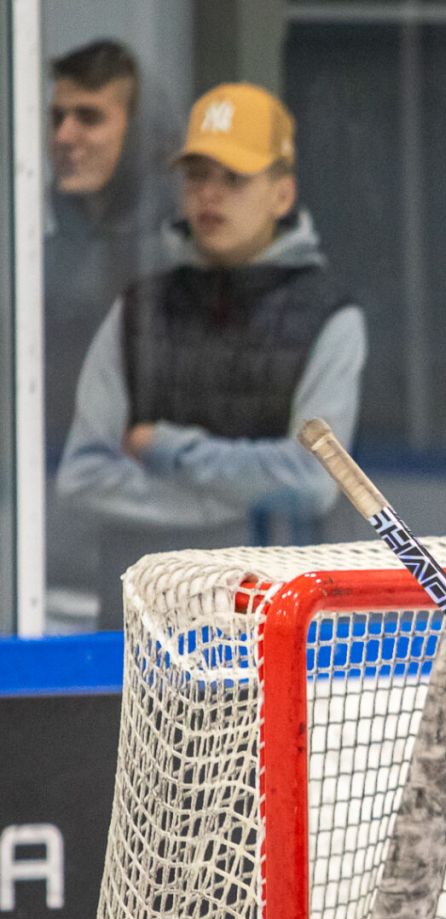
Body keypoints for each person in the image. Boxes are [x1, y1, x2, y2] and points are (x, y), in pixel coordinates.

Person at [57, 83, 366, 629]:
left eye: (234, 178)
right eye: (197, 175)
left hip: (271, 637)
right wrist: (229, 506)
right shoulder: (138, 309)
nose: (210, 194)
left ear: (282, 195)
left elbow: (313, 481)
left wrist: (165, 447)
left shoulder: (332, 317)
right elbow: (82, 479)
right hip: (135, 636)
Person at [43, 39, 179, 626]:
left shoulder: (185, 264)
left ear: (142, 135)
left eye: (89, 117)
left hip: (159, 584)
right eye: (56, 117)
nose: (65, 136)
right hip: (39, 577)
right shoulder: (32, 261)